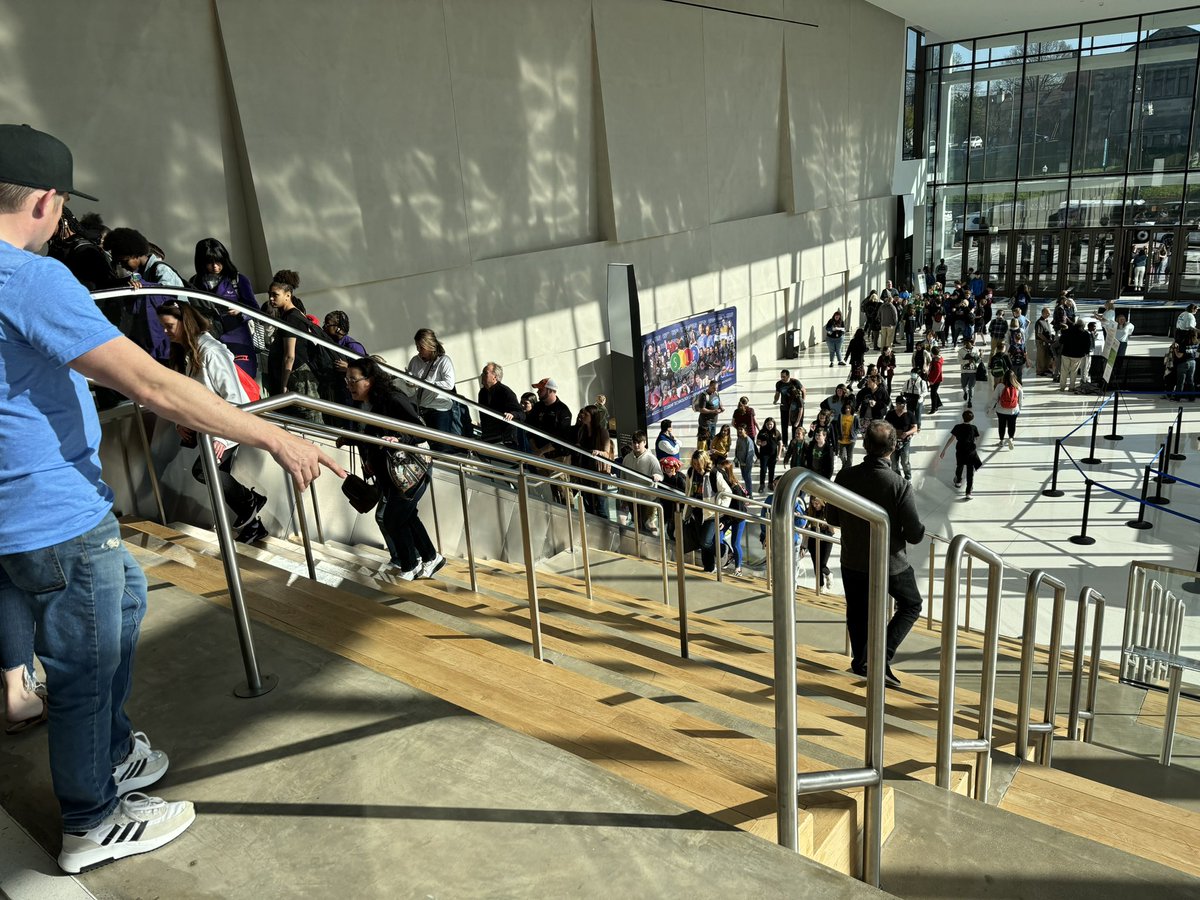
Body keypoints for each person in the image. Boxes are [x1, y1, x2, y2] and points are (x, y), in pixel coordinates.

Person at [0, 123, 341, 874]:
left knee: (123, 598)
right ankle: (90, 819)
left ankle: (113, 754)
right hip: (52, 511)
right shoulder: (30, 280)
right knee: (85, 663)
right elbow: (152, 384)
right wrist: (276, 438)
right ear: (48, 202)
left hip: (21, 518)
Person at [156, 302, 267, 542]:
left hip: (226, 426)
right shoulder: (187, 350)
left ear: (185, 322)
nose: (165, 332)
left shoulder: (211, 351)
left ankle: (251, 502)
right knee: (215, 476)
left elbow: (234, 397)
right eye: (162, 327)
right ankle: (255, 526)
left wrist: (223, 438)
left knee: (206, 471)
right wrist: (181, 421)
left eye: (169, 326)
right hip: (209, 427)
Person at [827, 421, 926, 688]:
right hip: (890, 562)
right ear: (893, 448)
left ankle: (862, 661)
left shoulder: (845, 477)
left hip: (853, 559)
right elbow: (915, 533)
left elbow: (832, 518)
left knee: (857, 611)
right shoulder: (898, 485)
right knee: (911, 604)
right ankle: (880, 655)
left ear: (864, 445)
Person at [343, 357, 444, 581]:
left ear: (369, 380)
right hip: (389, 473)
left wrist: (400, 437)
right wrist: (352, 442)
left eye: (353, 379)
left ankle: (410, 564)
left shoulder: (393, 399)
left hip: (410, 471)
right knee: (406, 516)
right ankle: (430, 557)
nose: (348, 384)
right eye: (347, 379)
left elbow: (419, 430)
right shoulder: (364, 403)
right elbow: (370, 435)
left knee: (392, 517)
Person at [188, 237, 259, 378]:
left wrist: (241, 310)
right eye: (210, 262)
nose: (215, 266)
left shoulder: (237, 280)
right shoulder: (194, 282)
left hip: (237, 337)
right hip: (211, 338)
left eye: (218, 261)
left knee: (244, 379)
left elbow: (255, 308)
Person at [264, 269, 322, 423]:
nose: (271, 298)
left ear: (288, 295)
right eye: (269, 294)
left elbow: (290, 356)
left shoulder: (292, 318)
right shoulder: (293, 315)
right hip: (297, 377)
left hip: (299, 378)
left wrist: (283, 385)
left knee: (308, 421)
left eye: (275, 295)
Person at [406, 328, 457, 453]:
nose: (418, 350)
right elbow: (411, 382)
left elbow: (449, 384)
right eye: (417, 347)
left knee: (442, 447)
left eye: (421, 347)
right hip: (422, 409)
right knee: (426, 447)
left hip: (439, 409)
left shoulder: (444, 361)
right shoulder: (415, 361)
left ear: (429, 345)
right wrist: (409, 382)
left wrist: (426, 383)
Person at [682, 450, 732, 573]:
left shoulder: (714, 474)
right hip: (697, 512)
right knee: (702, 541)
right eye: (694, 463)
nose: (696, 467)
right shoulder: (691, 472)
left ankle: (723, 549)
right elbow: (688, 491)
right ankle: (709, 567)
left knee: (705, 542)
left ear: (705, 461)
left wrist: (719, 508)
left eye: (698, 463)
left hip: (711, 514)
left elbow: (727, 493)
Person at [573, 405, 613, 517]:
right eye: (582, 413)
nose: (582, 416)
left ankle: (606, 529)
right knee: (588, 503)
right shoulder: (582, 431)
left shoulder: (602, 432)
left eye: (586, 414)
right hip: (585, 470)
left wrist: (598, 453)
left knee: (600, 503)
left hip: (599, 472)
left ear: (593, 416)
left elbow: (607, 453)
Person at [621, 431, 663, 532]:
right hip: (632, 497)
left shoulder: (651, 459)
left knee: (649, 523)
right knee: (638, 522)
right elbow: (622, 478)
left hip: (648, 499)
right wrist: (622, 496)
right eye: (634, 442)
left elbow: (660, 474)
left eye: (638, 442)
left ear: (644, 442)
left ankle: (656, 545)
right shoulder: (627, 458)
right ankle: (641, 544)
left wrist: (657, 476)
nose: (636, 445)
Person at [715, 460, 750, 577]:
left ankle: (738, 567)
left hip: (738, 518)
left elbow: (738, 510)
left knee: (736, 543)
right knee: (718, 537)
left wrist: (725, 522)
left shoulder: (735, 488)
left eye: (720, 471)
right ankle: (728, 553)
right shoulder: (722, 485)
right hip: (728, 517)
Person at [477, 361, 524, 447]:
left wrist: (512, 414)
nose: (482, 375)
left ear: (495, 376)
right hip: (488, 438)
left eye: (485, 373)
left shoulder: (505, 392)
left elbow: (521, 414)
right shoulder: (482, 393)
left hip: (505, 440)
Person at [940, 409, 982, 499]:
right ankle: (968, 491)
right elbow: (976, 439)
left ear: (962, 418)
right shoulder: (974, 427)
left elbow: (951, 439)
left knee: (960, 465)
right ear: (972, 419)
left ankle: (958, 481)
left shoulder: (957, 427)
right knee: (970, 471)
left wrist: (944, 450)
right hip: (971, 452)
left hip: (960, 450)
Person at [884, 397, 919, 481]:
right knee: (894, 463)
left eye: (905, 404)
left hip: (905, 441)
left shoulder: (910, 414)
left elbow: (915, 428)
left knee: (905, 461)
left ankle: (908, 477)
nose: (904, 406)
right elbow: (885, 425)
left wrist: (907, 433)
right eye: (902, 404)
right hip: (893, 441)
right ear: (897, 404)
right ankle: (897, 477)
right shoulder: (890, 414)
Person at [991, 370, 1023, 450]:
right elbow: (1020, 401)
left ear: (1004, 377)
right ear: (1014, 377)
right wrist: (1019, 410)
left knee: (1001, 425)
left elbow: (995, 398)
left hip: (1001, 410)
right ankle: (1011, 439)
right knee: (1012, 425)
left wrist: (991, 408)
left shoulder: (1000, 386)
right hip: (1013, 410)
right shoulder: (1018, 387)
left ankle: (1001, 441)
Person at [1058, 319, 1091, 393]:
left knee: (1064, 370)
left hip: (1066, 354)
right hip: (1077, 355)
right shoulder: (1085, 334)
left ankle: (1062, 387)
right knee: (1074, 371)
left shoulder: (1068, 330)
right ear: (1083, 325)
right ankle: (1071, 387)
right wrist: (1085, 353)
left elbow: (1061, 341)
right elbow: (1087, 346)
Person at [755, 416, 782, 492]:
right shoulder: (762, 432)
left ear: (774, 424)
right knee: (763, 469)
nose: (769, 426)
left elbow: (780, 443)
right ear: (765, 424)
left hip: (773, 455)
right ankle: (762, 484)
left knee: (771, 470)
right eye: (768, 424)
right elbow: (757, 441)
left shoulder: (777, 432)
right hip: (764, 454)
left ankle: (770, 484)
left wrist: (779, 455)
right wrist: (760, 443)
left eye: (771, 424)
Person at [694, 379, 723, 448]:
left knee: (712, 438)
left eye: (716, 388)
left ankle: (710, 452)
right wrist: (713, 411)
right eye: (714, 388)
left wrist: (722, 407)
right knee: (704, 440)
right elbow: (701, 409)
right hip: (706, 422)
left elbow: (719, 401)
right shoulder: (704, 396)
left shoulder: (716, 393)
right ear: (709, 386)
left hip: (714, 421)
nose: (715, 390)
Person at [773, 369, 797, 446]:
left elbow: (803, 390)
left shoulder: (794, 382)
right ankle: (785, 443)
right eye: (781, 377)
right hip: (784, 407)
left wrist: (802, 401)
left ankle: (794, 442)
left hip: (793, 408)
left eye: (784, 377)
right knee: (784, 426)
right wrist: (775, 400)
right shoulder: (779, 384)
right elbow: (777, 393)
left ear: (788, 376)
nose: (782, 378)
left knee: (794, 426)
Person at [957, 336, 982, 405]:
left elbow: (978, 360)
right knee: (964, 385)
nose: (966, 344)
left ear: (971, 343)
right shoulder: (961, 351)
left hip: (973, 372)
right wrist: (968, 361)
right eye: (965, 343)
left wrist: (980, 356)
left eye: (968, 342)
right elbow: (959, 361)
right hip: (964, 372)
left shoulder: (976, 350)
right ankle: (965, 392)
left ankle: (970, 400)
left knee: (971, 387)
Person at [733, 424, 757, 491]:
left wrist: (746, 463)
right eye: (738, 429)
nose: (739, 431)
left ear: (745, 431)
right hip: (741, 462)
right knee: (744, 477)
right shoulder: (739, 438)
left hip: (747, 463)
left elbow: (750, 453)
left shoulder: (748, 440)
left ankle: (750, 494)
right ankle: (747, 492)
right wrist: (737, 460)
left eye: (741, 429)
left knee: (747, 478)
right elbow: (737, 449)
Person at [1034, 307, 1054, 376]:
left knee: (1047, 356)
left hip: (1047, 342)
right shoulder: (1039, 322)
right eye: (1048, 313)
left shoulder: (1046, 321)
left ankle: (1046, 368)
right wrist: (1047, 340)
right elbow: (1039, 334)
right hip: (1041, 342)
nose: (1049, 314)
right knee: (1041, 356)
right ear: (1043, 313)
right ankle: (1040, 370)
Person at [926, 345, 944, 413]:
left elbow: (937, 372)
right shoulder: (937, 359)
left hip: (935, 380)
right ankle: (938, 403)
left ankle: (934, 408)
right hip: (934, 379)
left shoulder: (936, 362)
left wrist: (933, 381)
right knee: (934, 392)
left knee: (933, 394)